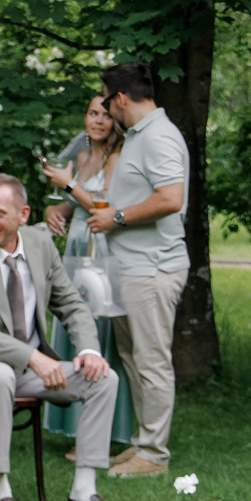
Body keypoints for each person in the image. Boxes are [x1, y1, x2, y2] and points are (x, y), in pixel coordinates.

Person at [0, 174, 120, 501]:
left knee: (103, 378)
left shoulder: (40, 246)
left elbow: (71, 304)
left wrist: (88, 350)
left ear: (23, 214)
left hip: (31, 370)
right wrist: (33, 356)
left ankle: (83, 491)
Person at [88, 63, 189, 479]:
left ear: (120, 98)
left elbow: (171, 198)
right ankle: (142, 442)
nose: (106, 110)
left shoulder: (160, 136)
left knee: (151, 360)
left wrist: (118, 217)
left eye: (107, 101)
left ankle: (154, 456)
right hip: (128, 267)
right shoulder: (137, 136)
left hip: (153, 269)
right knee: (132, 357)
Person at [41, 94, 133, 457]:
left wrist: (67, 185)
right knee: (72, 327)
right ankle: (75, 426)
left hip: (100, 252)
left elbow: (102, 206)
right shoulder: (82, 157)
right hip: (76, 249)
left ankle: (99, 435)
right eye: (92, 113)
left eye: (106, 115)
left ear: (116, 122)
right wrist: (56, 211)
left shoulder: (116, 158)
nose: (97, 120)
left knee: (98, 336)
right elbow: (77, 203)